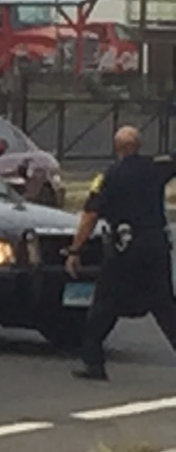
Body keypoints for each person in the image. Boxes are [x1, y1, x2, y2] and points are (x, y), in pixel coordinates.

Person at [68, 125, 176, 380]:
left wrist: (75, 250)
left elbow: (90, 215)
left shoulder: (109, 176)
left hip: (125, 249)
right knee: (165, 307)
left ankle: (93, 363)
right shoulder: (154, 167)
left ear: (116, 148)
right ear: (139, 146)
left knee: (104, 305)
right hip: (155, 245)